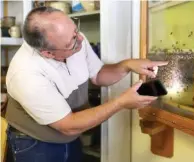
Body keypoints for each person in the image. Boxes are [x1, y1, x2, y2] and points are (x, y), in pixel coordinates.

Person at [4, 7, 168, 162]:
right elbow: (68, 125)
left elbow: (98, 75)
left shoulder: (74, 39)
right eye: (72, 42)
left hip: (71, 136)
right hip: (35, 144)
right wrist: (121, 102)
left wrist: (126, 65)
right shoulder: (26, 73)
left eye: (76, 30)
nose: (80, 39)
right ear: (48, 53)